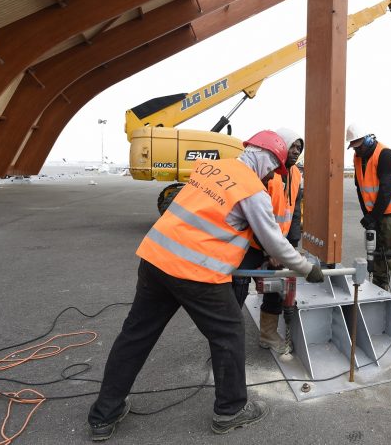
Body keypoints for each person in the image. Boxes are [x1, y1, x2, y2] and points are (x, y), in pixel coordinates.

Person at [87, 130, 324, 441]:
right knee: (228, 332)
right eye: (272, 168)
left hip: (156, 260)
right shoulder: (252, 189)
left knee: (135, 334)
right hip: (195, 272)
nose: (270, 175)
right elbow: (275, 244)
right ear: (267, 157)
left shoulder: (212, 167)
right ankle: (230, 410)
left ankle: (104, 414)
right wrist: (308, 268)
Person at [232, 128, 304, 355]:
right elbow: (251, 215)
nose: (295, 152)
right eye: (292, 146)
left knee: (276, 288)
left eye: (299, 149)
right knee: (237, 287)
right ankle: (229, 339)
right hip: (251, 244)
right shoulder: (266, 171)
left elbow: (295, 211)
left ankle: (268, 335)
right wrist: (268, 247)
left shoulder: (297, 176)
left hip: (277, 243)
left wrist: (290, 245)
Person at [345, 123, 391, 308]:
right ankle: (379, 299)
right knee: (378, 258)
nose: (357, 151)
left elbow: (386, 189)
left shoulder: (386, 155)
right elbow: (360, 189)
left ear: (368, 139)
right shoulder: (358, 158)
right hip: (376, 214)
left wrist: (373, 216)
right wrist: (368, 216)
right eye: (354, 147)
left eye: (359, 146)